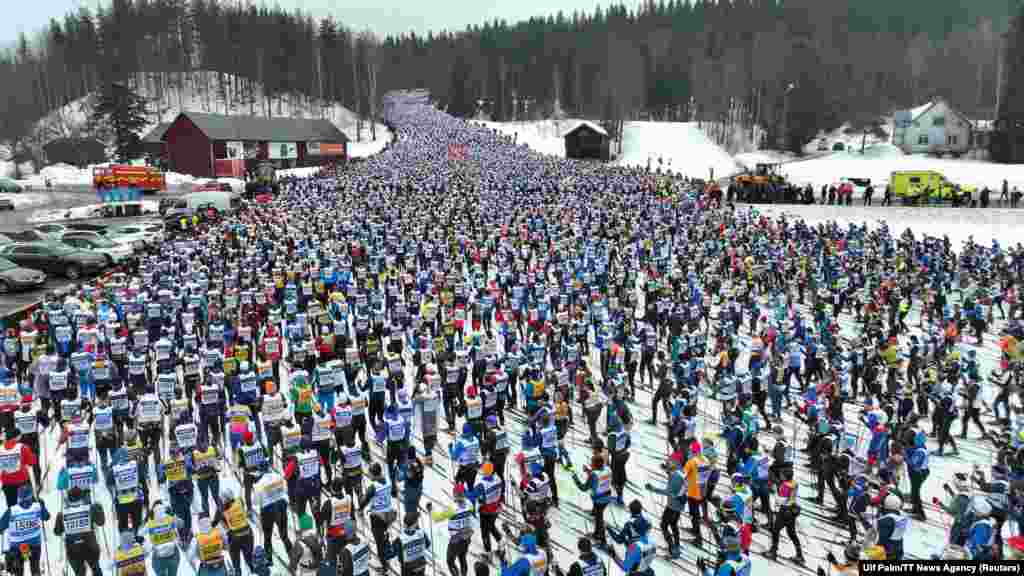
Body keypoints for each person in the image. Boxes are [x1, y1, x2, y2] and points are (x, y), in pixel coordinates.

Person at [53, 485, 105, 576]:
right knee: (96, 569)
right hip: (90, 547)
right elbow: (101, 522)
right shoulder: (90, 508)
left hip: (73, 550)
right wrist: (99, 509)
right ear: (82, 497)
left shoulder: (61, 514)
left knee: (79, 573)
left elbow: (57, 532)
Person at [0, 484, 49, 576]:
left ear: (19, 497)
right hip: (34, 544)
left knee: (18, 570)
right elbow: (46, 516)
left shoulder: (12, 510)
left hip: (17, 546)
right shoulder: (36, 507)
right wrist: (42, 504)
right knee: (35, 566)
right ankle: (36, 573)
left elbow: (1, 526)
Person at [212, 486, 256, 576]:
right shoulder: (239, 502)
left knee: (236, 564)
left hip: (234, 537)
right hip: (248, 534)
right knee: (249, 559)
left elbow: (215, 521)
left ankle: (238, 572)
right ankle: (254, 571)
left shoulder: (222, 510)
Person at [606, 500, 655, 576]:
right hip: (646, 567)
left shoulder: (629, 524)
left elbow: (619, 540)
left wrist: (613, 555)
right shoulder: (648, 521)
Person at [143, 501, 181, 576]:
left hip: (163, 555)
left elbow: (141, 534)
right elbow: (181, 524)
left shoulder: (151, 523)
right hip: (168, 553)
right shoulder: (169, 519)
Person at [395, 512, 430, 576]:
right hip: (420, 565)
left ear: (404, 525)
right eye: (417, 521)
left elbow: (394, 553)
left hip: (407, 568)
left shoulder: (400, 539)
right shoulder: (422, 533)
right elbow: (427, 544)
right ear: (415, 524)